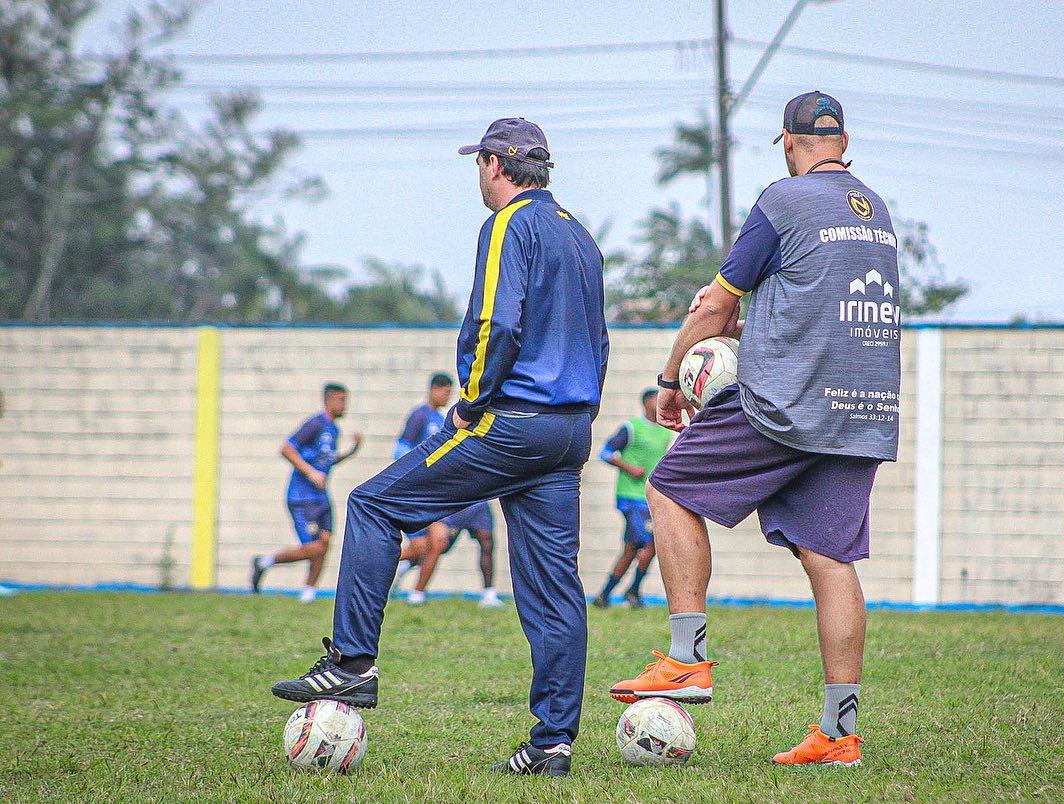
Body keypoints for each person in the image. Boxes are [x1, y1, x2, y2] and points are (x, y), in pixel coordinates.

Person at [271, 118, 608, 778]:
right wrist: (579, 413)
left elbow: (496, 320)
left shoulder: (508, 224)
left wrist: (471, 400)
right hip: (569, 430)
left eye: (477, 164)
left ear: (494, 164)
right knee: (552, 590)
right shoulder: (580, 234)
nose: (477, 178)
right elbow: (598, 339)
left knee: (372, 506)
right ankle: (552, 743)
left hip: (510, 420)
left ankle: (350, 664)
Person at [608, 92, 901, 769]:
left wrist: (670, 376)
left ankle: (687, 660)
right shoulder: (876, 211)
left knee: (670, 487)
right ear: (843, 140)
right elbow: (823, 305)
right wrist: (760, 325)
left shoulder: (784, 199)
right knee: (831, 560)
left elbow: (715, 302)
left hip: (787, 405)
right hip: (861, 410)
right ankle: (839, 734)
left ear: (789, 142)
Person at [390, 374, 501, 607]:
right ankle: (414, 589)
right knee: (434, 544)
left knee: (484, 539)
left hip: (472, 494)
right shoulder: (421, 415)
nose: (447, 396)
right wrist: (424, 475)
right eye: (445, 392)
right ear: (433, 389)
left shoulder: (451, 418)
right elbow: (400, 451)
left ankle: (489, 593)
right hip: (439, 494)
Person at [251, 383, 363, 603]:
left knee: (325, 543)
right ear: (328, 400)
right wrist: (311, 473)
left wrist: (352, 451)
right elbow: (286, 449)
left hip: (321, 498)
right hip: (302, 498)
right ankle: (265, 561)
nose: (344, 405)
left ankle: (308, 592)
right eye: (340, 400)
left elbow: (328, 460)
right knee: (314, 547)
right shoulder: (315, 424)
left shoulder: (334, 429)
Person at [592, 388, 672, 609]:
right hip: (630, 497)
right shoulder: (631, 428)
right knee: (650, 543)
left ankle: (604, 595)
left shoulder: (665, 432)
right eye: (656, 399)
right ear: (646, 402)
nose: (660, 403)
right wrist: (629, 468)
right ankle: (633, 591)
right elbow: (605, 452)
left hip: (651, 498)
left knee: (632, 548)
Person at [394, 502, 502, 608]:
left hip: (476, 501)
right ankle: (417, 595)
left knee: (487, 542)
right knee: (436, 544)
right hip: (446, 498)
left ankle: (489, 594)